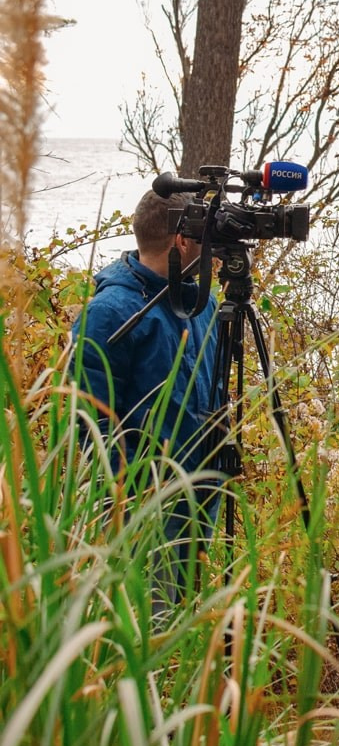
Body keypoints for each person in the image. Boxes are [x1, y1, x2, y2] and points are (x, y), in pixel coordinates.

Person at [73, 188, 221, 607]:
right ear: (182, 241)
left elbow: (213, 392)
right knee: (151, 628)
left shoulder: (202, 302)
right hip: (144, 507)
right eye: (205, 235)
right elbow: (89, 424)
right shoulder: (109, 313)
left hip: (203, 497)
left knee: (192, 626)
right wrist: (134, 496)